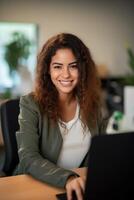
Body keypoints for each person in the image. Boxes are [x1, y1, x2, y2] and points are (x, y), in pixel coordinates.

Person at [15, 33, 106, 200]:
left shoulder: (94, 105)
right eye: (57, 66)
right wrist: (68, 178)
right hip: (35, 185)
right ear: (47, 70)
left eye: (73, 66)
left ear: (83, 69)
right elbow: (28, 157)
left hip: (79, 187)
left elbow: (103, 151)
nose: (66, 75)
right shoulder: (30, 104)